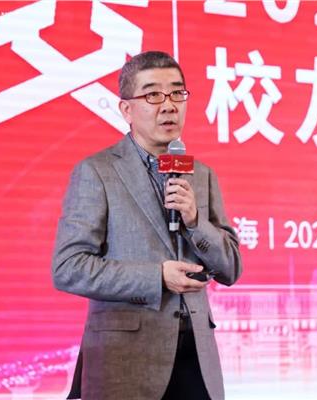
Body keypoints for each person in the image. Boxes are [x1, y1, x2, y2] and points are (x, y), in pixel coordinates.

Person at [52, 50, 242, 400]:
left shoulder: (201, 175)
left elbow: (230, 268)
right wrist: (157, 277)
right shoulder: (97, 171)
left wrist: (195, 221)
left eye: (177, 93)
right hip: (126, 362)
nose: (168, 106)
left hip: (196, 361)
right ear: (126, 109)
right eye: (153, 95)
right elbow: (68, 268)